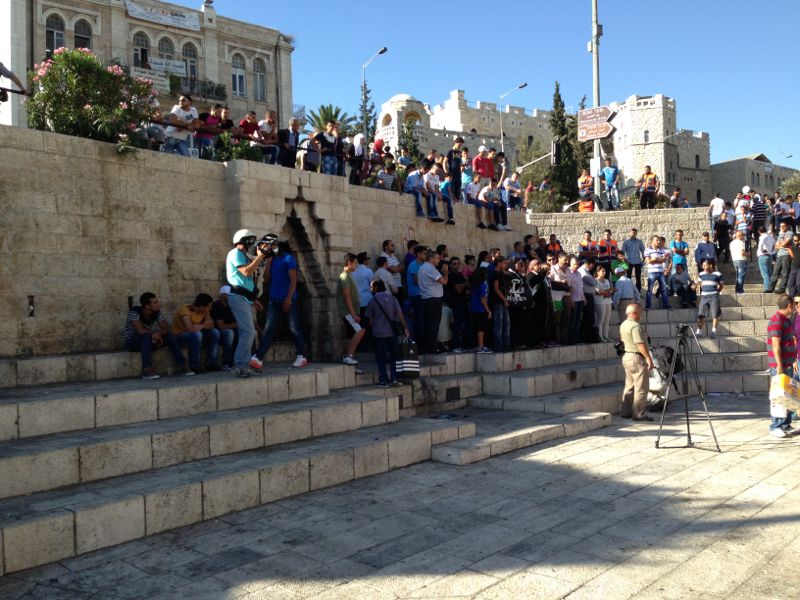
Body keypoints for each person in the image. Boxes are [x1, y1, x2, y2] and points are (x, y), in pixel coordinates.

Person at [248, 234, 308, 370]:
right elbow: (267, 279)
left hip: (288, 299)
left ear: (272, 245)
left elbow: (293, 280)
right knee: (269, 329)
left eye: (266, 245)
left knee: (293, 328)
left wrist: (288, 299)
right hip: (274, 300)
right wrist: (268, 262)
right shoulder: (272, 260)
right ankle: (258, 358)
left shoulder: (288, 258)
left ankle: (301, 356)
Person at [226, 229, 269, 378]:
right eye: (249, 240)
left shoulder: (243, 256)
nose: (251, 243)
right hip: (238, 297)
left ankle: (243, 365)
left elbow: (245, 282)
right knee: (248, 332)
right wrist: (260, 256)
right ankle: (239, 365)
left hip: (244, 298)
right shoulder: (235, 253)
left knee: (248, 332)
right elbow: (246, 272)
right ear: (242, 240)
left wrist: (254, 299)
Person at [122, 292, 190, 379]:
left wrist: (158, 333)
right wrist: (153, 333)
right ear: (147, 306)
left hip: (147, 340)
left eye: (157, 301)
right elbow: (140, 331)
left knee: (169, 335)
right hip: (131, 342)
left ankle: (183, 365)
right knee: (146, 336)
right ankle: (147, 370)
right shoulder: (134, 312)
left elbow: (166, 328)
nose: (158, 304)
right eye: (155, 303)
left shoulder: (156, 313)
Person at [364, 280, 409, 387]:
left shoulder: (372, 301)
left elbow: (370, 319)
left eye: (371, 287)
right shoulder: (393, 299)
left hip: (379, 333)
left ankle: (383, 379)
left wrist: (374, 328)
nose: (371, 289)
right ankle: (394, 378)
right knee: (394, 355)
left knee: (380, 356)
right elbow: (400, 314)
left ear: (375, 288)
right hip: (392, 332)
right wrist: (405, 328)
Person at [767, 295, 796, 438]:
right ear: (789, 306)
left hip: (788, 364)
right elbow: (775, 344)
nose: (796, 306)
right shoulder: (777, 320)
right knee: (779, 397)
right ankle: (775, 426)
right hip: (780, 366)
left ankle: (785, 424)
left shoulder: (786, 320)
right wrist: (779, 365)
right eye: (794, 304)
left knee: (788, 396)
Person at [619, 303, 654, 421]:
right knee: (641, 387)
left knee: (629, 386)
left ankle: (626, 411)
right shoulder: (635, 326)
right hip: (636, 358)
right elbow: (640, 344)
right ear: (634, 313)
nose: (641, 314)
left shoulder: (623, 324)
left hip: (627, 356)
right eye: (640, 311)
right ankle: (639, 414)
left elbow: (623, 340)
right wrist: (649, 358)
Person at [172, 293, 221, 373]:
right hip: (180, 336)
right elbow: (190, 328)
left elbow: (212, 324)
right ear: (202, 306)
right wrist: (204, 325)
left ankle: (211, 363)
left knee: (215, 332)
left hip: (194, 336)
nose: (210, 308)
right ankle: (195, 365)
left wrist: (201, 326)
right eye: (208, 306)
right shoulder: (185, 310)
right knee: (197, 334)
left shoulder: (204, 312)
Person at [338, 253, 366, 366]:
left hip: (352, 311)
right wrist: (353, 314)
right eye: (355, 263)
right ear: (349, 263)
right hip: (348, 311)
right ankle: (349, 356)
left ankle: (350, 358)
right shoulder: (344, 276)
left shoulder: (349, 275)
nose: (357, 266)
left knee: (352, 335)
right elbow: (346, 296)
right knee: (360, 331)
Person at [418, 250, 448, 354]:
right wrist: (445, 272)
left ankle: (428, 346)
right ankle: (432, 347)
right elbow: (444, 281)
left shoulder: (422, 268)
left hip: (427, 299)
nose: (439, 260)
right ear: (431, 259)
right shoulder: (430, 269)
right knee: (433, 324)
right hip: (433, 299)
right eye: (437, 258)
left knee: (429, 324)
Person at [211, 286, 238, 371]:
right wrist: (234, 325)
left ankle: (238, 361)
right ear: (222, 295)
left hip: (228, 328)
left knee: (241, 332)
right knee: (229, 333)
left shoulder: (231, 305)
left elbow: (235, 321)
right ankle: (227, 363)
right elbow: (221, 326)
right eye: (229, 295)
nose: (231, 297)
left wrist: (234, 325)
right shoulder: (217, 305)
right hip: (216, 331)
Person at [696, 259, 724, 338]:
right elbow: (698, 283)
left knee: (715, 314)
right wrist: (694, 286)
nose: (703, 267)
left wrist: (716, 292)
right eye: (703, 265)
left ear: (711, 265)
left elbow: (721, 285)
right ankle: (699, 331)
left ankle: (714, 331)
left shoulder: (718, 274)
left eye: (705, 265)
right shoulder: (701, 274)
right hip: (704, 296)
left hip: (714, 296)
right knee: (700, 314)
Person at [469, 267, 492, 353]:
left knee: (476, 327)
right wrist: (488, 310)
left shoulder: (475, 284)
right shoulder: (482, 284)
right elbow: (483, 299)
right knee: (481, 328)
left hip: (473, 308)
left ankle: (478, 345)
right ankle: (481, 346)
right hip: (480, 308)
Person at [644, 236, 671, 310]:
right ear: (652, 241)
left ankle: (665, 305)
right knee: (650, 289)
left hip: (661, 272)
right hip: (652, 272)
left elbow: (663, 260)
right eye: (657, 240)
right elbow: (648, 261)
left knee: (664, 289)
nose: (659, 242)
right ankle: (648, 306)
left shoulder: (662, 250)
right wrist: (658, 259)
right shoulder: (647, 250)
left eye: (659, 240)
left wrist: (655, 259)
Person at [594, 266, 613, 342]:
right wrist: (606, 292)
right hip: (600, 302)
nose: (604, 272)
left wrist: (609, 292)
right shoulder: (595, 281)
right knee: (600, 320)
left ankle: (606, 336)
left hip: (608, 301)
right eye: (602, 271)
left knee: (607, 320)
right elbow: (597, 292)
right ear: (598, 272)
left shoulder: (607, 281)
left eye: (605, 271)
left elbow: (610, 290)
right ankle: (600, 337)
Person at [444, 137, 464, 205]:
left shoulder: (459, 152)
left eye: (461, 145)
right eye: (459, 144)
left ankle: (457, 201)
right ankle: (451, 201)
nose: (460, 146)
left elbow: (459, 162)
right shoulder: (450, 151)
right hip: (452, 173)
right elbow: (444, 162)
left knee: (458, 188)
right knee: (451, 187)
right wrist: (446, 172)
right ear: (455, 142)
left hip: (458, 174)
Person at [757, 226, 776, 293]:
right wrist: (772, 251)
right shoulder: (771, 237)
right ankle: (771, 287)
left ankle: (767, 288)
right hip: (770, 255)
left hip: (763, 255)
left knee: (765, 273)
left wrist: (762, 250)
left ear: (759, 232)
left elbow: (761, 244)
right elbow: (775, 245)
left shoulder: (762, 237)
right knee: (770, 273)